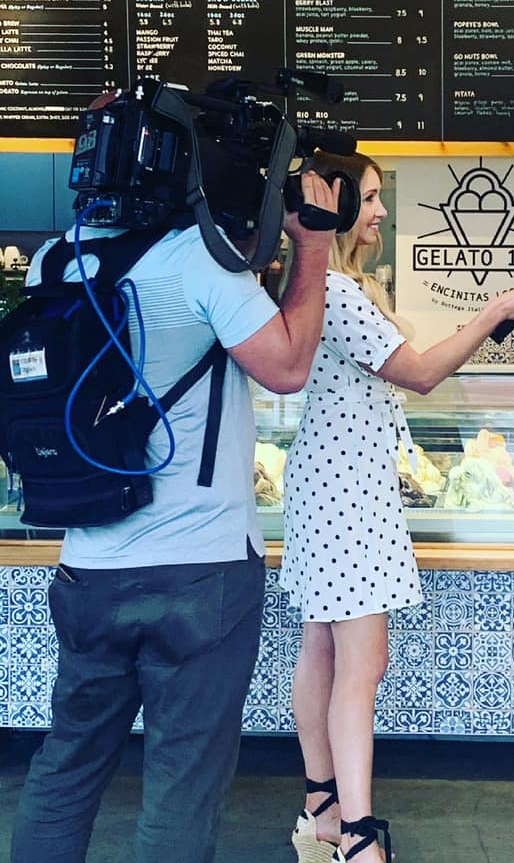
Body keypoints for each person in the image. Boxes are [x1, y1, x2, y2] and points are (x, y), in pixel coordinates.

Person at [10, 110, 341, 863]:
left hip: (88, 567)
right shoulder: (200, 261)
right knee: (181, 780)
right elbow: (288, 366)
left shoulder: (56, 261)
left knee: (67, 764)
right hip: (201, 570)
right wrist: (312, 246)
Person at [281, 150, 514, 863]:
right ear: (337, 205)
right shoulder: (338, 292)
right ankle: (357, 836)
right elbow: (422, 373)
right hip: (347, 493)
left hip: (330, 485)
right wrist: (494, 311)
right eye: (369, 198)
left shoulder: (323, 283)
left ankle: (323, 810)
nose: (380, 211)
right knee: (362, 663)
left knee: (323, 648)